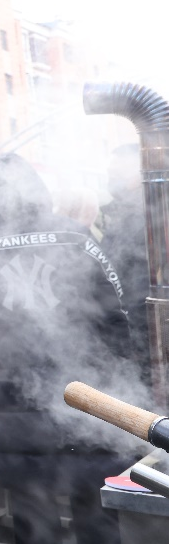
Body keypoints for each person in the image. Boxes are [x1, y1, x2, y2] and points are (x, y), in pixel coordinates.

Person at [0, 153, 137, 544]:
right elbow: (119, 326)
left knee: (35, 535)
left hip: (15, 412)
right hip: (87, 405)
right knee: (98, 529)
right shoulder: (80, 239)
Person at [98, 143, 151, 383]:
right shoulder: (122, 211)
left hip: (145, 330)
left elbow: (136, 278)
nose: (112, 179)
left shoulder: (148, 211)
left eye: (117, 173)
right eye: (110, 174)